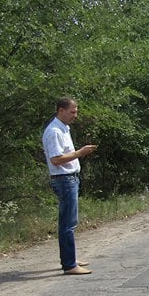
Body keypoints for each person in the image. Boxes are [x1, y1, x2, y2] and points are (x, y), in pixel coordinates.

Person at [42, 97, 97, 275]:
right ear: (60, 110)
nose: (75, 115)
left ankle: (70, 257)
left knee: (70, 222)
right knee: (67, 223)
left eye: (76, 111)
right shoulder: (54, 131)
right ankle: (69, 264)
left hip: (70, 178)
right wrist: (80, 153)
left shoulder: (64, 129)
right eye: (72, 111)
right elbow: (56, 159)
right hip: (63, 179)